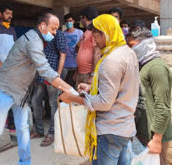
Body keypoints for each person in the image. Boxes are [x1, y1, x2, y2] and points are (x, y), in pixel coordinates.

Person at [0, 12, 73, 165]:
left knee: (23, 128)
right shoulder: (33, 40)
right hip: (5, 89)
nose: (55, 33)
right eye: (54, 29)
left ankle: (25, 162)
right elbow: (44, 69)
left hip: (21, 92)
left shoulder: (37, 39)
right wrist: (71, 91)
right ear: (43, 26)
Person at [60, 14, 139, 165]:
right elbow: (122, 85)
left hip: (111, 129)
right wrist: (92, 88)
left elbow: (104, 103)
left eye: (96, 37)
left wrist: (73, 98)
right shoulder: (127, 52)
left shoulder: (111, 60)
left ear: (105, 33)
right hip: (125, 126)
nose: (95, 42)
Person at [127, 26, 172, 165]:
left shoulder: (157, 68)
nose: (131, 50)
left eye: (132, 46)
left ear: (144, 44)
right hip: (142, 133)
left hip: (155, 136)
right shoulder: (142, 66)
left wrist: (157, 139)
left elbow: (162, 106)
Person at [30, 29, 66, 147]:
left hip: (52, 72)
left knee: (53, 103)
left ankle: (52, 133)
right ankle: (39, 130)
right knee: (35, 101)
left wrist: (58, 75)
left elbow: (63, 54)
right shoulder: (41, 34)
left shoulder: (59, 34)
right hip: (41, 73)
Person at [76, 6, 100, 87]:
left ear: (84, 18)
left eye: (81, 18)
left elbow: (97, 53)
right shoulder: (86, 31)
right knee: (78, 98)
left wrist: (93, 75)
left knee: (85, 98)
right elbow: (80, 49)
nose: (81, 21)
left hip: (88, 74)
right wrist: (77, 71)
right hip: (81, 72)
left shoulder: (94, 31)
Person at [63, 13, 83, 87]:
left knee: (74, 86)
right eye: (67, 21)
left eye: (70, 21)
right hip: (64, 65)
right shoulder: (62, 34)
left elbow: (82, 48)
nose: (69, 23)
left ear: (74, 21)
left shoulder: (80, 33)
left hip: (76, 64)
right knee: (64, 86)